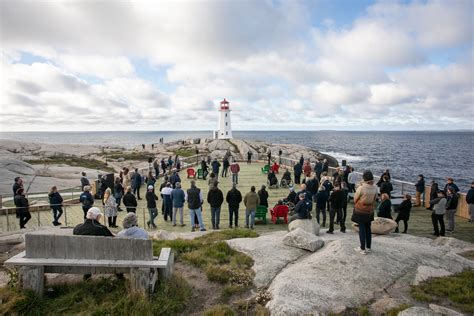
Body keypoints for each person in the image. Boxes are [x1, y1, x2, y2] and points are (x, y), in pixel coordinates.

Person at [352, 170, 377, 254]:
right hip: (369, 210)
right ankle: (368, 247)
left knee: (362, 229)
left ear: (364, 178)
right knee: (368, 228)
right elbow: (375, 199)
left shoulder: (361, 188)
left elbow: (355, 199)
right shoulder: (375, 188)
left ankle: (362, 248)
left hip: (360, 210)